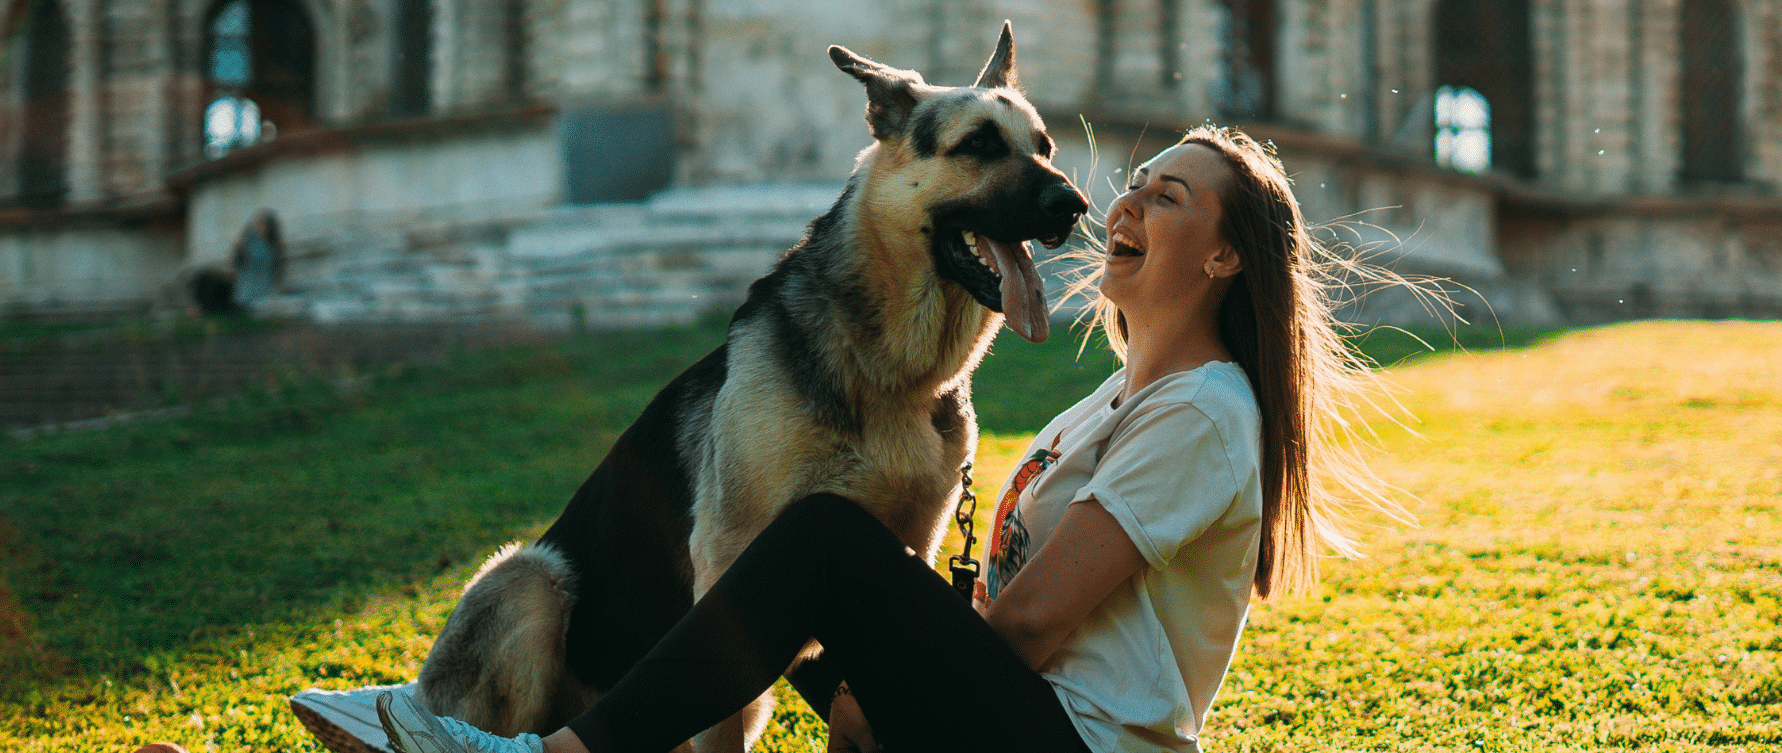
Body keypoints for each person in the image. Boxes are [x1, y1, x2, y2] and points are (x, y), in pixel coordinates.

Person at [374, 126, 1399, 753]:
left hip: (1076, 745)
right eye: (1133, 184)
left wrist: (880, 692)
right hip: (1017, 722)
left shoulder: (1207, 409)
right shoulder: (1112, 404)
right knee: (810, 582)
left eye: (1165, 197)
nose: (1122, 203)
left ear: (1225, 253)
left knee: (825, 544)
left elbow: (1032, 625)